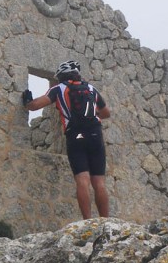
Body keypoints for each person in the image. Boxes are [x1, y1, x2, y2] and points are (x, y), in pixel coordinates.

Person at [22, 60, 111, 219]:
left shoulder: (58, 89)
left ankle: (88, 222)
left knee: (82, 181)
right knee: (99, 183)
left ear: (61, 75)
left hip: (76, 136)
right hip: (95, 135)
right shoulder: (92, 89)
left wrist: (28, 102)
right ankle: (106, 221)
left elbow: (35, 105)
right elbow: (106, 113)